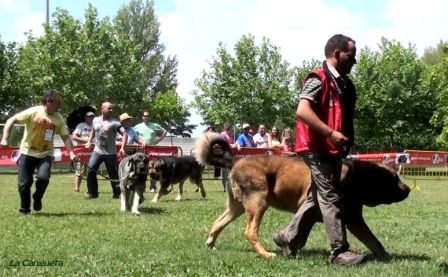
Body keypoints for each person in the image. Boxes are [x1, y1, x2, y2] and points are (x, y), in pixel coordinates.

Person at [273, 34, 364, 266]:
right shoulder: (318, 78)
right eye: (350, 57)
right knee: (331, 196)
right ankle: (339, 252)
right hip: (316, 148)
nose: (354, 62)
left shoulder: (344, 84)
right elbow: (302, 110)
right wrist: (330, 134)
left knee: (318, 196)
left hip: (333, 149)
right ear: (336, 54)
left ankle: (288, 237)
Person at [0, 89, 78, 215]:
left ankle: (37, 197)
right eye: (58, 103)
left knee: (43, 178)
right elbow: (10, 120)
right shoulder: (34, 112)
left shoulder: (58, 118)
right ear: (49, 101)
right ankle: (24, 210)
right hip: (27, 152)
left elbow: (65, 137)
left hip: (45, 154)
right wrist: (4, 138)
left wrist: (72, 152)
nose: (60, 106)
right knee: (24, 184)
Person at [84, 102, 127, 199]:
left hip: (110, 153)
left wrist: (122, 148)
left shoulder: (115, 123)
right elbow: (93, 130)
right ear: (102, 109)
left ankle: (117, 194)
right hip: (97, 151)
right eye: (109, 108)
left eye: (112, 108)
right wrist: (89, 141)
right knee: (91, 169)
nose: (111, 110)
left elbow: (125, 134)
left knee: (113, 174)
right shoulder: (95, 120)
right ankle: (92, 194)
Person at [133, 110, 167, 193]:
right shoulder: (137, 127)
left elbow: (164, 132)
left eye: (148, 116)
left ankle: (153, 186)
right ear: (142, 117)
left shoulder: (154, 126)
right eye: (145, 116)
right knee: (141, 169)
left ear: (150, 117)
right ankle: (141, 186)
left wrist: (157, 141)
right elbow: (133, 135)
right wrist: (138, 142)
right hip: (141, 151)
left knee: (153, 169)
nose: (146, 117)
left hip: (152, 150)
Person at [72, 111, 95, 193]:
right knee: (80, 170)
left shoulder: (95, 126)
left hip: (93, 151)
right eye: (89, 116)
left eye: (92, 116)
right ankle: (76, 189)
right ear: (85, 117)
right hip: (83, 151)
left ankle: (90, 189)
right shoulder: (81, 125)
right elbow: (74, 137)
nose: (91, 118)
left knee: (92, 170)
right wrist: (86, 140)